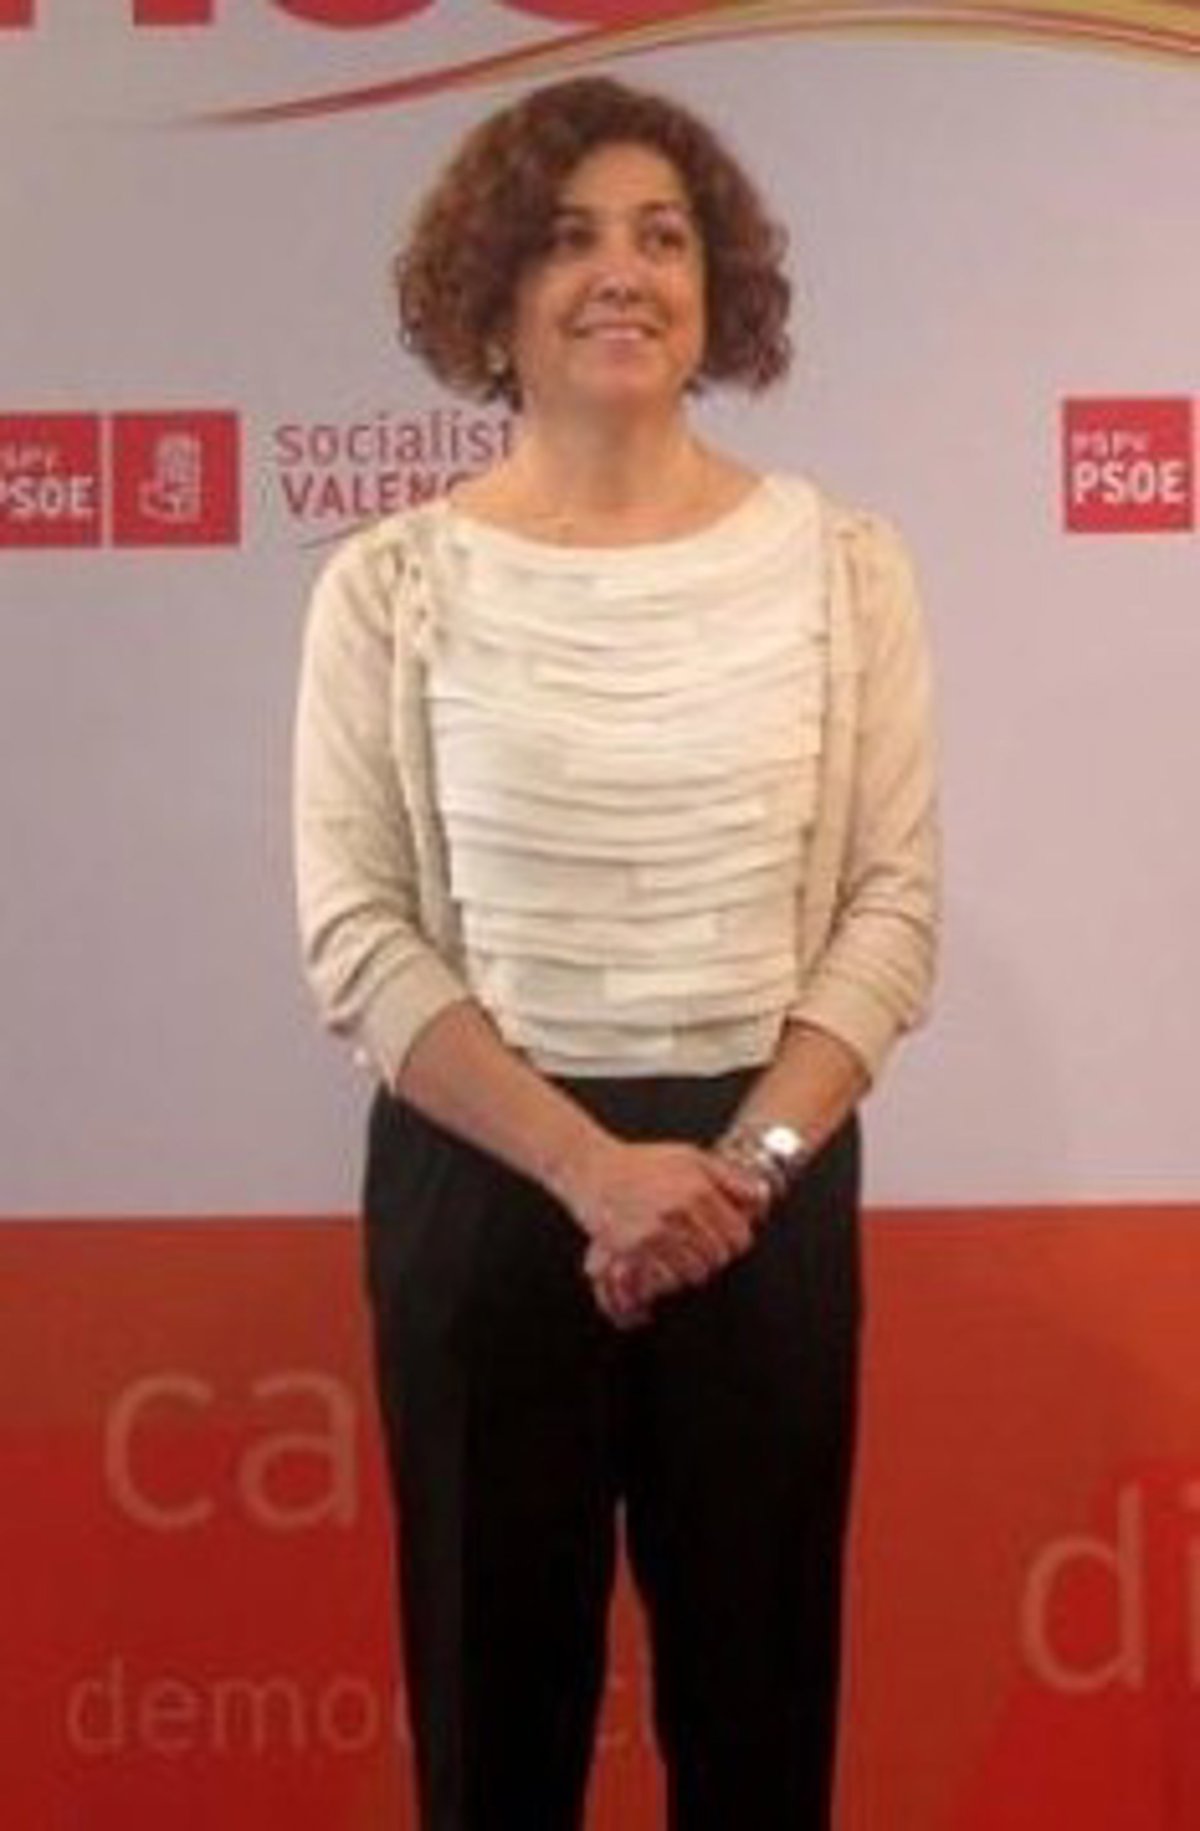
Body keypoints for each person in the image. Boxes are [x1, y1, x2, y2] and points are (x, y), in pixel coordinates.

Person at [293, 73, 938, 1831]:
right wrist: (591, 1174)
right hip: (491, 1185)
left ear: (717, 288)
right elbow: (357, 935)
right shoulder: (389, 586)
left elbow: (891, 910)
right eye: (570, 237)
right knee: (493, 1742)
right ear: (495, 286)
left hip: (759, 1191)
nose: (622, 274)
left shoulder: (846, 569)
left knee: (758, 1736)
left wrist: (744, 1170)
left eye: (664, 237)